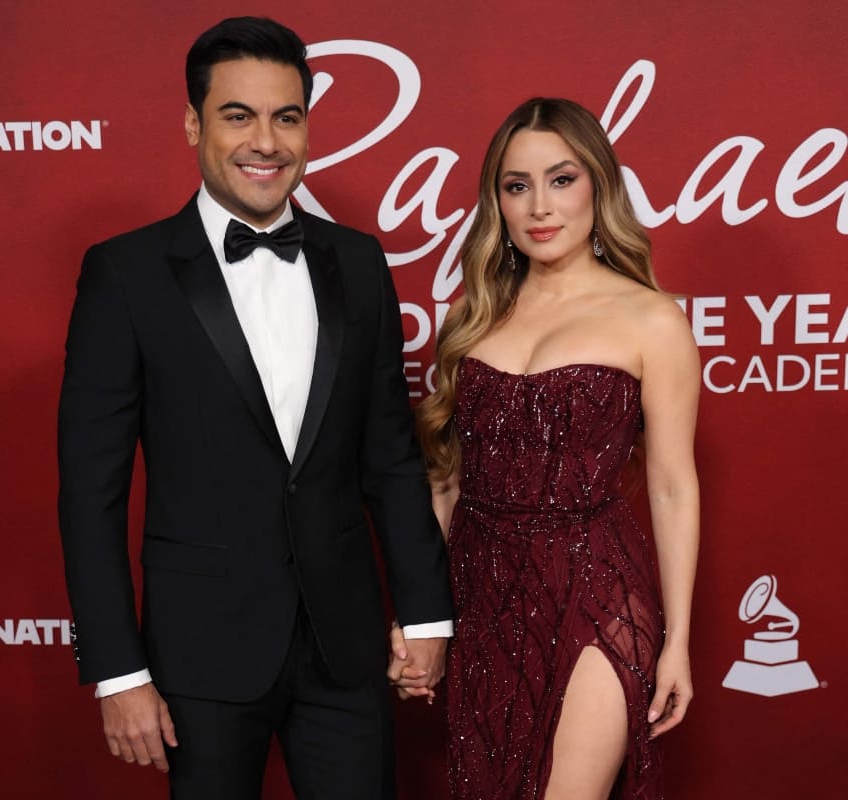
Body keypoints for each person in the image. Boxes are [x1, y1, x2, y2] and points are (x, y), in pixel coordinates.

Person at [58, 16, 453, 800]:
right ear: (193, 123)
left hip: (346, 649)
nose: (265, 141)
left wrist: (427, 614)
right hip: (197, 656)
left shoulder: (359, 263)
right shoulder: (126, 274)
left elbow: (390, 455)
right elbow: (88, 494)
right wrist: (116, 669)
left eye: (287, 116)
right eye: (238, 115)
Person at [389, 98, 699, 799]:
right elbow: (446, 479)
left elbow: (673, 486)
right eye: (515, 185)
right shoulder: (471, 316)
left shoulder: (650, 319)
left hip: (594, 585)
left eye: (561, 180)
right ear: (495, 200)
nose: (538, 206)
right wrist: (417, 613)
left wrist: (677, 641)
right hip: (480, 590)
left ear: (598, 184)